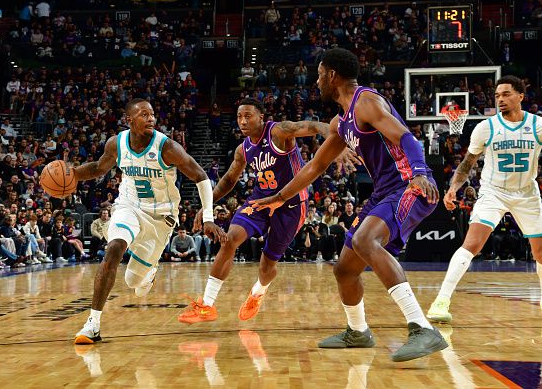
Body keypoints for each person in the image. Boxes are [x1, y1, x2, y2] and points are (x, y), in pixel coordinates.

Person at [251, 48, 447, 362]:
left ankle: (422, 328)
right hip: (383, 192)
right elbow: (315, 166)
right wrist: (279, 198)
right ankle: (358, 331)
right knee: (344, 269)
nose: (316, 82)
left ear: (332, 75)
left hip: (408, 184)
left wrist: (421, 172)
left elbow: (406, 137)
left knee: (364, 240)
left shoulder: (367, 102)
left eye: (318, 75)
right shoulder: (341, 122)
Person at [74, 98, 226, 344]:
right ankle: (93, 324)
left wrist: (207, 217)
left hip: (161, 216)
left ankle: (149, 272)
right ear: (129, 120)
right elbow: (98, 168)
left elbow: (200, 176)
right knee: (113, 248)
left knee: (133, 281)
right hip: (129, 205)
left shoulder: (167, 147)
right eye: (144, 115)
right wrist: (71, 175)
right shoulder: (117, 144)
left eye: (152, 114)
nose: (151, 119)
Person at [178, 97, 332, 325]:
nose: (242, 121)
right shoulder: (243, 149)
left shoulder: (279, 132)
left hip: (291, 204)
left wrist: (335, 138)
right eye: (239, 117)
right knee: (229, 240)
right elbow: (229, 179)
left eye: (248, 116)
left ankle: (258, 293)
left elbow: (313, 126)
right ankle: (207, 305)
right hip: (260, 200)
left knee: (267, 265)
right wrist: (207, 205)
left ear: (261, 117)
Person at [427, 75, 542, 321]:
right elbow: (467, 164)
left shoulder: (537, 125)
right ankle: (441, 301)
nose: (500, 99)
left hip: (527, 194)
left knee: (540, 252)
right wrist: (452, 188)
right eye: (498, 95)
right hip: (493, 192)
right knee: (472, 244)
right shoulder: (486, 127)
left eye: (506, 94)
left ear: (521, 96)